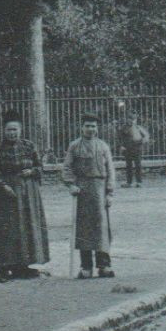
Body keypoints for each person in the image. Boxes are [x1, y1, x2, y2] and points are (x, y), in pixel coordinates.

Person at [0, 111, 50, 281]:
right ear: (4, 131)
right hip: (6, 195)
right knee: (6, 229)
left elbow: (40, 167)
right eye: (9, 130)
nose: (12, 133)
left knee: (26, 228)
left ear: (20, 130)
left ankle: (24, 266)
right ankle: (4, 267)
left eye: (15, 130)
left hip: (28, 193)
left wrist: (32, 171)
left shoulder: (29, 146)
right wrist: (3, 186)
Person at [62, 113, 115, 278]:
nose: (91, 129)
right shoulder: (75, 146)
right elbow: (67, 167)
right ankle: (86, 267)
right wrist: (71, 184)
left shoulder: (103, 146)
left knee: (101, 229)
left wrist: (110, 193)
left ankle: (104, 266)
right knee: (84, 229)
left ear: (97, 128)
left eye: (93, 126)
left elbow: (111, 171)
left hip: (99, 189)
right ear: (82, 127)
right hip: (83, 190)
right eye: (87, 126)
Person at [117, 113, 150, 187]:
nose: (131, 121)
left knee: (138, 165)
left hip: (137, 148)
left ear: (135, 120)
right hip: (128, 148)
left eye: (133, 119)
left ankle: (139, 182)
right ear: (127, 119)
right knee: (129, 166)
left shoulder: (138, 128)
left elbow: (146, 136)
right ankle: (129, 182)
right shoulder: (123, 128)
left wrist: (142, 141)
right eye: (130, 119)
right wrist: (122, 146)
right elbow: (120, 138)